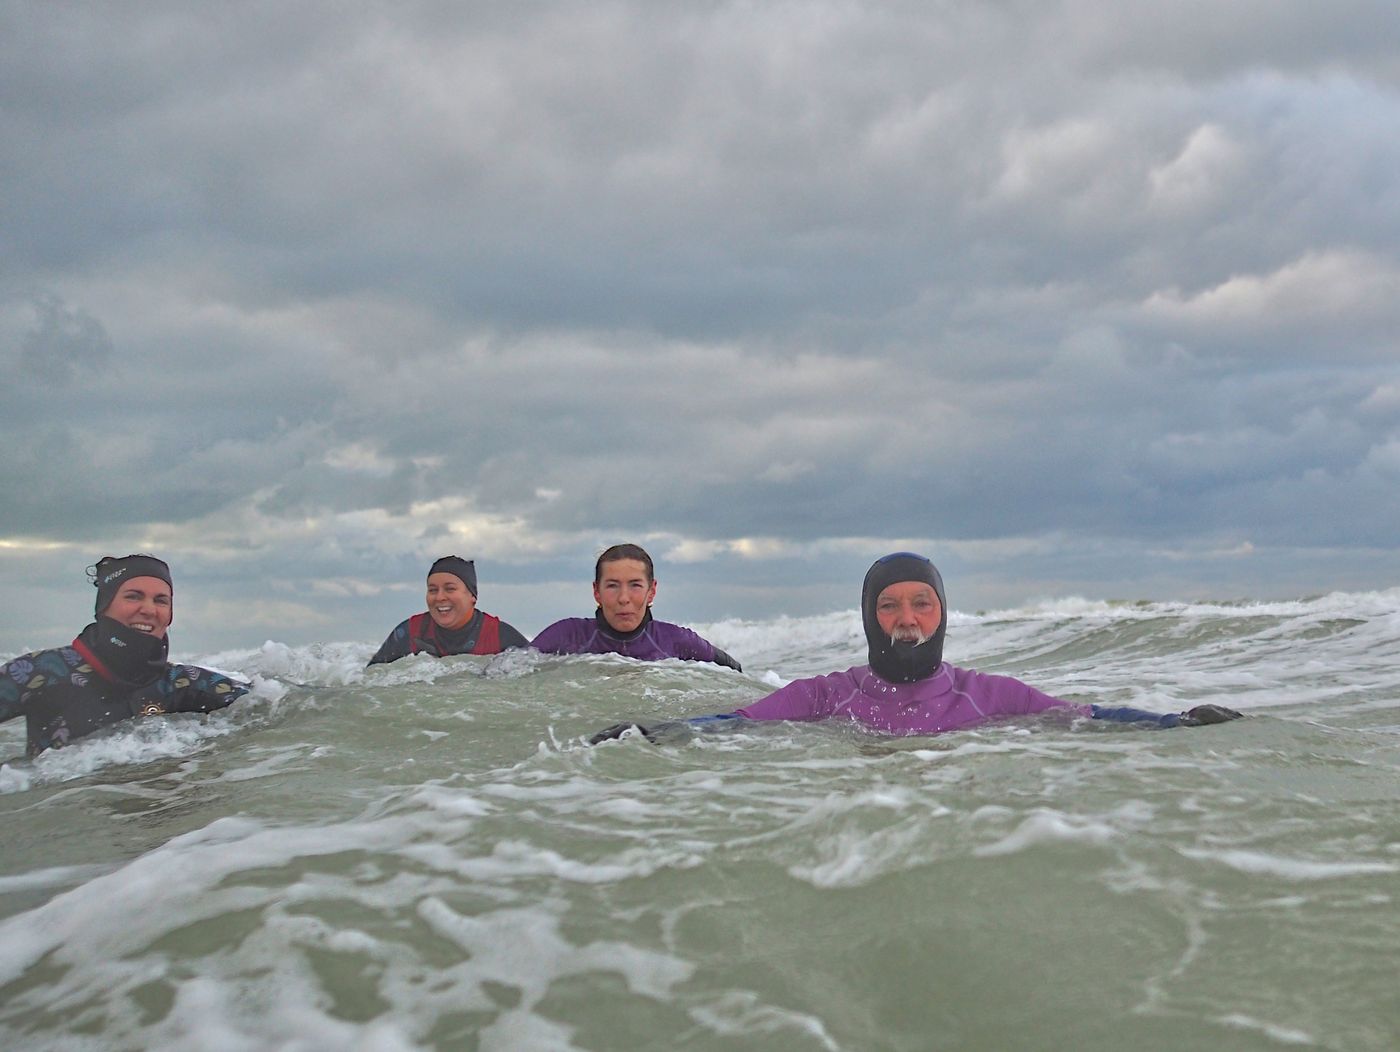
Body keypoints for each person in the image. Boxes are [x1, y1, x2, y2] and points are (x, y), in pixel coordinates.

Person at [589, 551, 1240, 743]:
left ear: (942, 612)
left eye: (921, 602)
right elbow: (736, 724)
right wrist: (652, 732)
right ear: (869, 617)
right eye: (889, 605)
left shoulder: (986, 696)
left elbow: (1084, 718)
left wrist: (1174, 722)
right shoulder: (828, 694)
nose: (906, 618)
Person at [1, 554, 250, 757]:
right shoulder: (41, 671)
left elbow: (267, 713)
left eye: (161, 600)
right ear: (104, 605)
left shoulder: (186, 684)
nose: (149, 610)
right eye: (133, 596)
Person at [531, 544, 742, 671]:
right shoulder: (567, 635)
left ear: (652, 590)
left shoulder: (675, 640)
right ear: (597, 591)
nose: (624, 598)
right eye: (612, 586)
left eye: (635, 585)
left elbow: (735, 673)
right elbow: (518, 671)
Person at [368, 556, 528, 666]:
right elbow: (371, 680)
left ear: (472, 596)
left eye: (450, 589)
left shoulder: (500, 636)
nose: (439, 597)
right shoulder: (410, 633)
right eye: (432, 590)